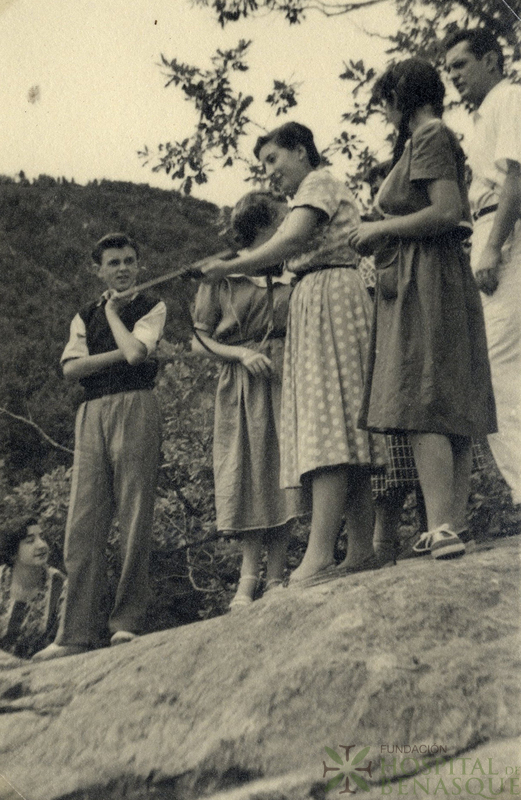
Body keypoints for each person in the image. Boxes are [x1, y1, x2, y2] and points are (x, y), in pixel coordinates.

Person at [201, 122, 387, 587]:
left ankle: (320, 554)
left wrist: (230, 266)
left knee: (329, 426)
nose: (269, 173)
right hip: (323, 297)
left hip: (330, 296)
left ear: (301, 151)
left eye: (273, 160)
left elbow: (292, 240)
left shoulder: (317, 182)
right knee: (344, 424)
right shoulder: (313, 186)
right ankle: (361, 547)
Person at [347, 59, 497, 559]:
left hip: (425, 276)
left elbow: (447, 210)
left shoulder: (428, 135)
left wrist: (379, 230)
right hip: (434, 275)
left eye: (386, 101)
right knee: (444, 400)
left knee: (422, 398)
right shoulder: (433, 137)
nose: (385, 113)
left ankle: (442, 525)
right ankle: (448, 524)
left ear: (400, 96)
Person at [34, 233, 166, 660]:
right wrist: (109, 343)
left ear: (139, 265)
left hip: (137, 407)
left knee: (134, 514)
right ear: (99, 269)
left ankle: (126, 623)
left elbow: (134, 356)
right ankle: (75, 633)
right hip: (91, 413)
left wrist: (112, 314)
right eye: (113, 263)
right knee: (83, 521)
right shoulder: (82, 314)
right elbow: (71, 368)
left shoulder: (153, 306)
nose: (123, 268)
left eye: (130, 260)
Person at [192, 191, 305, 606]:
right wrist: (240, 353)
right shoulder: (224, 277)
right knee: (249, 473)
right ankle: (246, 579)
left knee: (283, 472)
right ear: (260, 226)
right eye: (280, 219)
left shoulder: (292, 269)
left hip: (287, 375)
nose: (288, 225)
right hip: (242, 381)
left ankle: (276, 575)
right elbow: (198, 340)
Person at [445, 29, 521, 506]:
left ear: (492, 60)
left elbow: (515, 176)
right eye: (448, 69)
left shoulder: (508, 97)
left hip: (505, 233)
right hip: (494, 229)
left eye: (461, 65)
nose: (454, 77)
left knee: (498, 371)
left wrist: (493, 247)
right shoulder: (482, 116)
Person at [0, 517, 65, 660]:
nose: (41, 545)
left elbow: (65, 640)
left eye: (42, 537)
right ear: (13, 553)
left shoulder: (59, 584)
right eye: (30, 541)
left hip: (38, 669)